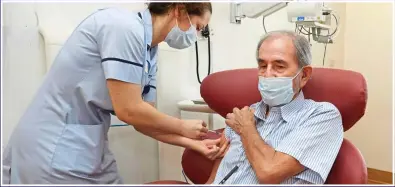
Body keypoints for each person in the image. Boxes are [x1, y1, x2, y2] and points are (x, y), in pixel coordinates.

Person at [2, 3, 229, 184]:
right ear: (179, 10)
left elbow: (144, 120)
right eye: (198, 27)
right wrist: (183, 127)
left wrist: (194, 144)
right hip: (52, 147)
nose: (195, 35)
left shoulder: (149, 51)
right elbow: (129, 110)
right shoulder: (124, 27)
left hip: (85, 147)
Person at [205, 30, 344, 184]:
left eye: (279, 66)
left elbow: (269, 172)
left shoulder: (322, 116)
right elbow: (213, 180)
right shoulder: (245, 114)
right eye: (263, 66)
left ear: (304, 75)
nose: (267, 74)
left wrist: (246, 129)